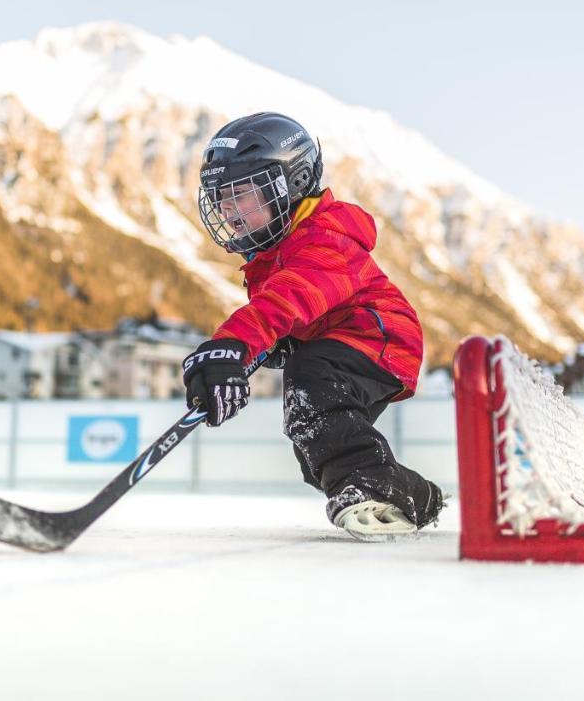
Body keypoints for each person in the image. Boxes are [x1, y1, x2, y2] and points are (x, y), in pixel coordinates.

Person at [182, 112, 444, 540]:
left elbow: (289, 299)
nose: (230, 213)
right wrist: (272, 348)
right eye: (222, 201)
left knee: (312, 385)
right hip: (337, 340)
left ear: (293, 182)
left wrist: (232, 346)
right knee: (316, 440)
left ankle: (375, 488)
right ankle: (413, 494)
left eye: (242, 195)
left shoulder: (326, 237)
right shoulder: (272, 256)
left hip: (377, 336)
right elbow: (291, 315)